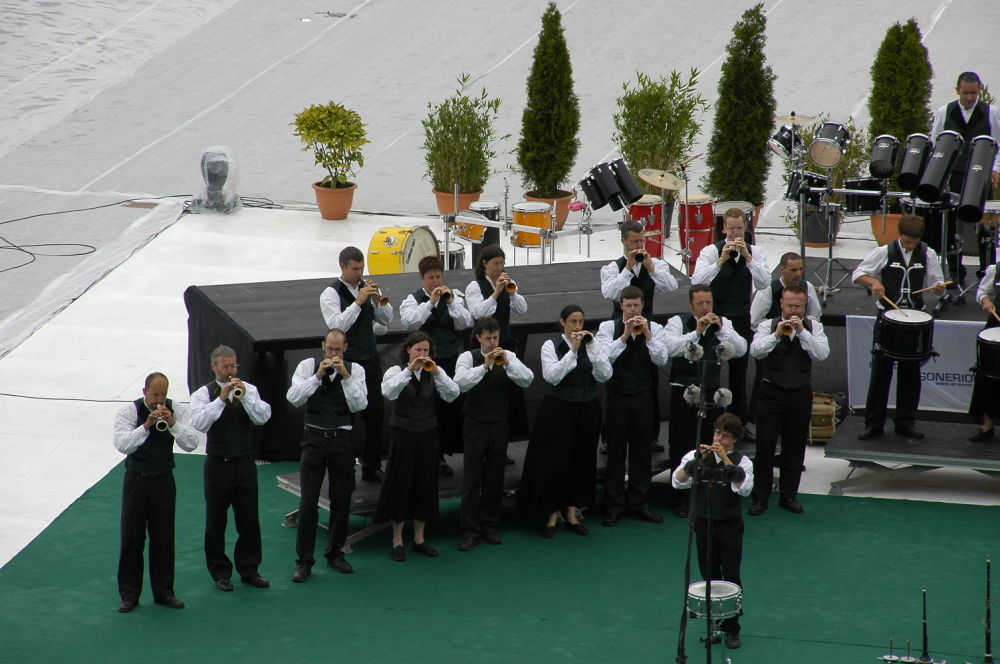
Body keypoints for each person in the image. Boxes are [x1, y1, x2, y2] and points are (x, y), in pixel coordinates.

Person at [518, 304, 612, 538]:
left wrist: (591, 348)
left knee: (581, 460)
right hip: (558, 409)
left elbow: (604, 374)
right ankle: (551, 515)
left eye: (581, 322)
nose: (578, 327)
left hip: (587, 408)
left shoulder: (593, 345)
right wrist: (572, 351)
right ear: (563, 323)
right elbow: (552, 376)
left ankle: (571, 513)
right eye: (573, 322)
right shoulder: (551, 345)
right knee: (556, 462)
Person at [852, 214, 946, 440]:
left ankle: (905, 421)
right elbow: (858, 274)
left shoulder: (928, 253)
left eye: (914, 242)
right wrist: (874, 281)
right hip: (888, 318)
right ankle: (874, 423)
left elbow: (937, 282)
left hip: (914, 320)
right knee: (881, 371)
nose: (909, 245)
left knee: (910, 373)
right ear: (899, 235)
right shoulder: (884, 251)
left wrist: (938, 288)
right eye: (906, 241)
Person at [286, 329, 368, 583]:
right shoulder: (307, 366)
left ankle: (335, 554)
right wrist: (317, 376)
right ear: (323, 346)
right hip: (313, 440)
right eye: (330, 349)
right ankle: (304, 561)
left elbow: (360, 405)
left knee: (341, 499)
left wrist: (345, 376)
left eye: (338, 350)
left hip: (342, 439)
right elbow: (294, 398)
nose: (334, 354)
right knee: (309, 502)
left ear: (345, 348)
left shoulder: (357, 370)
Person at [188, 346, 272, 591]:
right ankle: (220, 572)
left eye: (234, 366)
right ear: (214, 367)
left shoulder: (249, 389)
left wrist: (244, 396)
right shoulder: (202, 395)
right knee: (216, 520)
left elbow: (263, 417)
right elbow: (200, 424)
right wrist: (221, 399)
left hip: (244, 462)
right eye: (225, 367)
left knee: (249, 518)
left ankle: (249, 568)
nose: (231, 371)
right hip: (217, 463)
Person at [114, 372, 199, 613]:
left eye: (163, 394)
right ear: (144, 393)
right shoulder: (129, 412)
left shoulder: (176, 409)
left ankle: (164, 592)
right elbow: (122, 444)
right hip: (136, 481)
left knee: (163, 538)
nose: (159, 400)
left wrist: (172, 424)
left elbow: (191, 443)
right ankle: (129, 594)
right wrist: (146, 426)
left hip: (163, 481)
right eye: (155, 395)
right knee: (132, 538)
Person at [375, 331, 460, 562]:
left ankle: (420, 539)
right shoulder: (396, 371)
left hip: (427, 434)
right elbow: (388, 392)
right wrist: (409, 370)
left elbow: (453, 395)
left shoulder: (434, 373)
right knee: (401, 484)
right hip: (403, 435)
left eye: (425, 351)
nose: (422, 354)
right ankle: (397, 540)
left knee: (425, 484)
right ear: (408, 351)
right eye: (418, 350)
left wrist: (439, 372)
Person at [672, 413, 754, 650]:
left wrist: (724, 459)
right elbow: (678, 481)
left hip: (729, 525)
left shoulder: (742, 460)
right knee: (709, 576)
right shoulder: (695, 456)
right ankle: (714, 627)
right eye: (717, 433)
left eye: (725, 436)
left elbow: (744, 488)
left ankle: (732, 628)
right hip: (704, 523)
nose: (719, 438)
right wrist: (696, 462)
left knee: (731, 576)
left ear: (735, 439)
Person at [664, 285, 747, 518]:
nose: (705, 308)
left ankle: (709, 492)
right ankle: (681, 498)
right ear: (690, 304)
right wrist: (696, 333)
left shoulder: (723, 323)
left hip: (712, 394)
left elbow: (741, 349)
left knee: (712, 445)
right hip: (684, 392)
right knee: (682, 444)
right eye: (700, 303)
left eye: (708, 303)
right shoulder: (677, 322)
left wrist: (721, 330)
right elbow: (669, 348)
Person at [747, 285, 830, 515]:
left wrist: (802, 332)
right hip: (771, 393)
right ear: (781, 304)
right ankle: (761, 498)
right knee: (764, 448)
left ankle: (788, 496)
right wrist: (776, 335)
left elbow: (822, 353)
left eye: (798, 306)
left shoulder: (813, 326)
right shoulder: (767, 325)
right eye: (789, 305)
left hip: (800, 393)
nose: (793, 310)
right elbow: (756, 351)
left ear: (805, 306)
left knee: (794, 448)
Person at [453, 317, 534, 551]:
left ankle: (489, 526)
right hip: (475, 423)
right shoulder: (467, 357)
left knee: (494, 477)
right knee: (472, 479)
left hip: (499, 423)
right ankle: (469, 531)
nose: (492, 342)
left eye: (495, 337)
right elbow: (461, 384)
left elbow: (527, 379)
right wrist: (485, 365)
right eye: (488, 338)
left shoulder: (509, 356)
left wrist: (508, 363)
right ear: (478, 338)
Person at [600, 219, 679, 452]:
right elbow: (611, 293)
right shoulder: (612, 268)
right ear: (623, 241)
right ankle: (608, 436)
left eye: (642, 240)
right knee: (614, 380)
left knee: (650, 381)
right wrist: (627, 269)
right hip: (620, 327)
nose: (638, 246)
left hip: (647, 326)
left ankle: (651, 435)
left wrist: (651, 267)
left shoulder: (655, 263)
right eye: (634, 241)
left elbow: (671, 287)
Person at [691, 208, 770, 438]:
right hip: (715, 318)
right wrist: (721, 260)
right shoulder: (709, 251)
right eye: (731, 228)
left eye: (739, 228)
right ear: (723, 228)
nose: (735, 233)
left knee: (739, 372)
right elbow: (697, 282)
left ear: (745, 228)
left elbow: (764, 284)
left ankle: (738, 425)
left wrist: (748, 258)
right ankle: (710, 425)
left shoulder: (755, 252)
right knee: (711, 371)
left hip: (741, 317)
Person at [595, 285, 669, 526]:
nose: (633, 309)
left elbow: (661, 358)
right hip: (616, 396)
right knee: (616, 453)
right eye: (628, 306)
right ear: (621, 306)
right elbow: (604, 357)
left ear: (642, 305)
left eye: (636, 305)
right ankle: (614, 506)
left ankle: (639, 504)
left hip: (642, 397)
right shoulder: (608, 327)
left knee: (641, 453)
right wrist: (625, 335)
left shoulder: (654, 327)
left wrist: (646, 334)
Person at [320, 246, 394, 483]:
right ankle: (343, 466)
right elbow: (337, 327)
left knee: (375, 412)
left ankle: (371, 466)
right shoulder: (330, 294)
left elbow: (386, 320)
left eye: (362, 268)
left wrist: (376, 300)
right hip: (345, 361)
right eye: (355, 269)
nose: (359, 273)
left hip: (369, 359)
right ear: (342, 267)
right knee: (346, 416)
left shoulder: (367, 287)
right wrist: (359, 302)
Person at [400, 255, 473, 476]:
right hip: (423, 362)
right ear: (422, 278)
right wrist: (430, 302)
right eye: (431, 277)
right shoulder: (412, 300)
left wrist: (450, 302)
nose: (435, 281)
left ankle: (442, 454)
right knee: (426, 406)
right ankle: (429, 456)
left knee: (446, 407)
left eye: (438, 276)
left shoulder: (453, 297)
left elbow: (465, 322)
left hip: (448, 358)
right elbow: (411, 322)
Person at [929, 71, 1000, 280]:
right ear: (957, 90)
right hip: (955, 176)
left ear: (979, 91)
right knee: (951, 224)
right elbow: (936, 145)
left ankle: (986, 273)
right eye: (965, 93)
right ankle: (955, 272)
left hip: (981, 176)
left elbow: (998, 144)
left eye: (974, 93)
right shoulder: (945, 112)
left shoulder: (990, 112)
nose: (969, 98)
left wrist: (995, 169)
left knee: (985, 224)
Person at [465, 244, 529, 463]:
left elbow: (522, 310)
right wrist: (496, 292)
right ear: (484, 264)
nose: (499, 268)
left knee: (507, 394)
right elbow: (478, 312)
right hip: (482, 344)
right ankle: (480, 448)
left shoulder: (506, 283)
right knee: (484, 391)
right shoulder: (475, 286)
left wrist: (512, 292)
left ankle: (502, 447)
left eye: (502, 263)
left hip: (505, 342)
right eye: (495, 264)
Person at [747, 251, 822, 424]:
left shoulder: (807, 286)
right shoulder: (768, 289)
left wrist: (801, 327)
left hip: (798, 337)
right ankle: (757, 421)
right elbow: (755, 320)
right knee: (765, 379)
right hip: (773, 339)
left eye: (801, 269)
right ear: (782, 269)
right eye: (793, 270)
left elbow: (815, 315)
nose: (798, 274)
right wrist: (775, 328)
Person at [968, 264, 1000, 441]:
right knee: (988, 376)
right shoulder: (996, 269)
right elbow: (982, 292)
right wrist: (986, 300)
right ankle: (987, 425)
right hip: (996, 326)